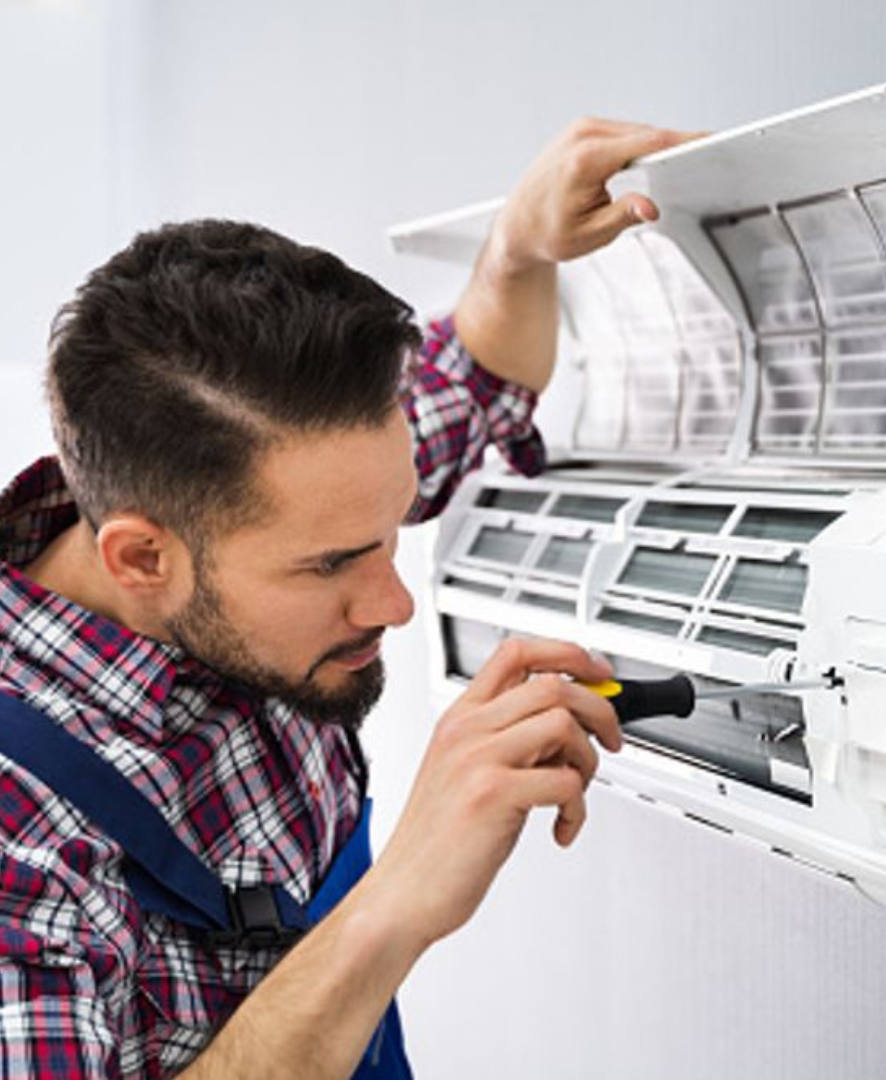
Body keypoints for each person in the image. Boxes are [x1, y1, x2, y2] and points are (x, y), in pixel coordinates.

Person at [0, 118, 689, 1078]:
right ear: (143, 559)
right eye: (331, 567)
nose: (394, 601)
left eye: (394, 525)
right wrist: (397, 900)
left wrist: (520, 248)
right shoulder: (19, 832)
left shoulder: (289, 493)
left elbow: (480, 373)